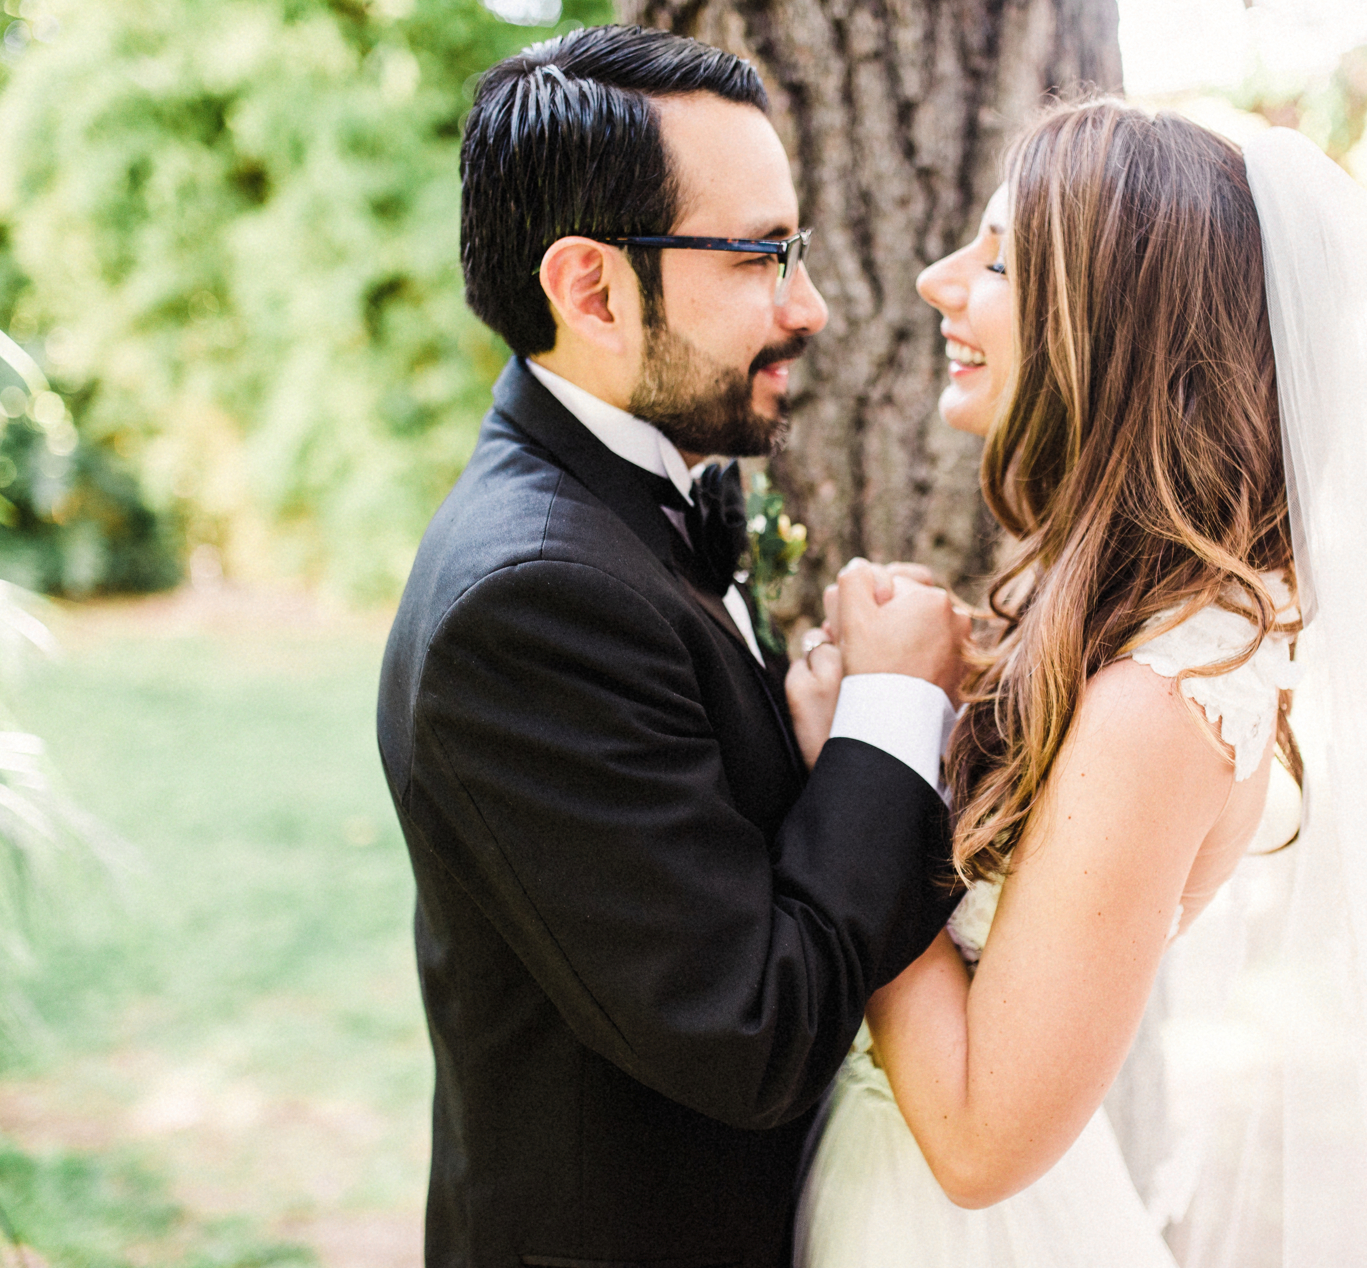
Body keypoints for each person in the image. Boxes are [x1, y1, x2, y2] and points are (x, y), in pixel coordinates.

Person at [792, 100, 1367, 1267]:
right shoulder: (1117, 620)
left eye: (999, 259)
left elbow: (975, 1138)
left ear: (1110, 326)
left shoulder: (1160, 698)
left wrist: (869, 756)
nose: (937, 281)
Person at [376, 26, 970, 1268]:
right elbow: (755, 1028)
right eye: (760, 256)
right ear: (591, 288)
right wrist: (893, 711)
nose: (807, 306)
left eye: (792, 249)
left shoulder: (626, 512)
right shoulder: (530, 603)